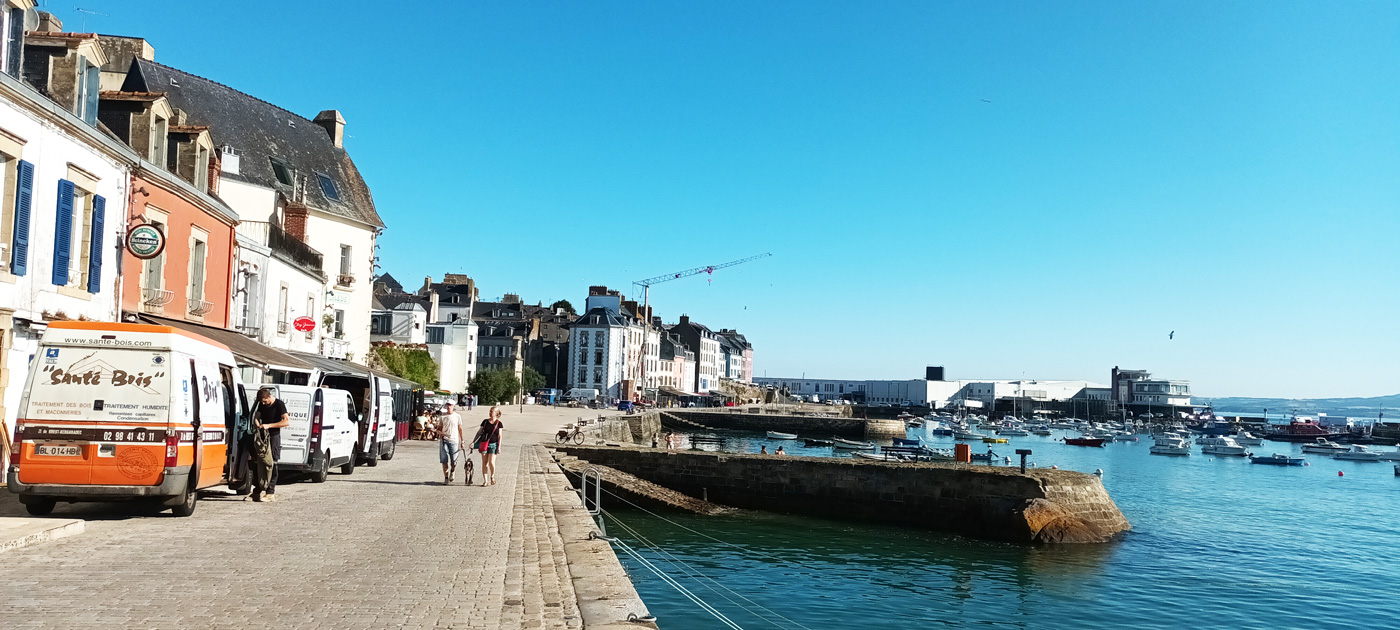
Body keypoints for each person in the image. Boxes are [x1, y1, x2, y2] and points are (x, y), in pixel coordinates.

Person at [251, 387, 290, 502]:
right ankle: (257, 491)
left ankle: (270, 492)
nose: (263, 404)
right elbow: (257, 416)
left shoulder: (279, 404)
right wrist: (257, 422)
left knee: (272, 463)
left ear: (269, 397)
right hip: (262, 436)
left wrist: (269, 425)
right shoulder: (262, 405)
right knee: (259, 462)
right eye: (261, 402)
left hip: (274, 437)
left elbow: (286, 421)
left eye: (265, 401)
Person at [439, 402, 466, 484]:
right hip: (444, 441)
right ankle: (446, 478)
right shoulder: (442, 417)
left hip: (454, 441)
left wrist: (462, 441)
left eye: (450, 405)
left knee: (454, 460)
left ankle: (452, 470)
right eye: (447, 405)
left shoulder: (457, 416)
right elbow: (439, 428)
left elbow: (460, 429)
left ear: (453, 406)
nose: (449, 407)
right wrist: (440, 433)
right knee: (444, 460)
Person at [477, 406, 504, 486]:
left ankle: (492, 476)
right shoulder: (485, 422)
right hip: (484, 444)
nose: (490, 413)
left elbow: (500, 436)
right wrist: (473, 441)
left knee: (491, 462)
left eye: (492, 411)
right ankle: (485, 481)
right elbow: (479, 432)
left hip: (493, 444)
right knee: (484, 463)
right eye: (490, 411)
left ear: (496, 413)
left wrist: (499, 447)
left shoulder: (499, 423)